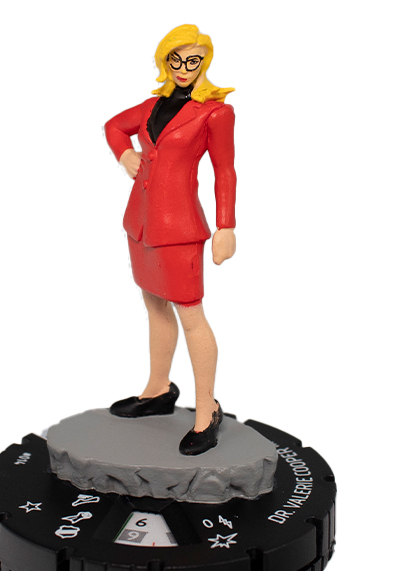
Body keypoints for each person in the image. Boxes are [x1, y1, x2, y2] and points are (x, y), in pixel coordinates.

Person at [104, 24, 236, 456]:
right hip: (141, 224)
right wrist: (125, 153)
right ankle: (158, 389)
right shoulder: (151, 105)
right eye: (176, 60)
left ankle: (206, 412)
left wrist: (226, 225)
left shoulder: (215, 113)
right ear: (165, 61)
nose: (183, 68)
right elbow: (113, 126)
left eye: (193, 61)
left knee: (191, 315)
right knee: (154, 306)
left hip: (180, 229)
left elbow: (224, 170)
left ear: (205, 62)